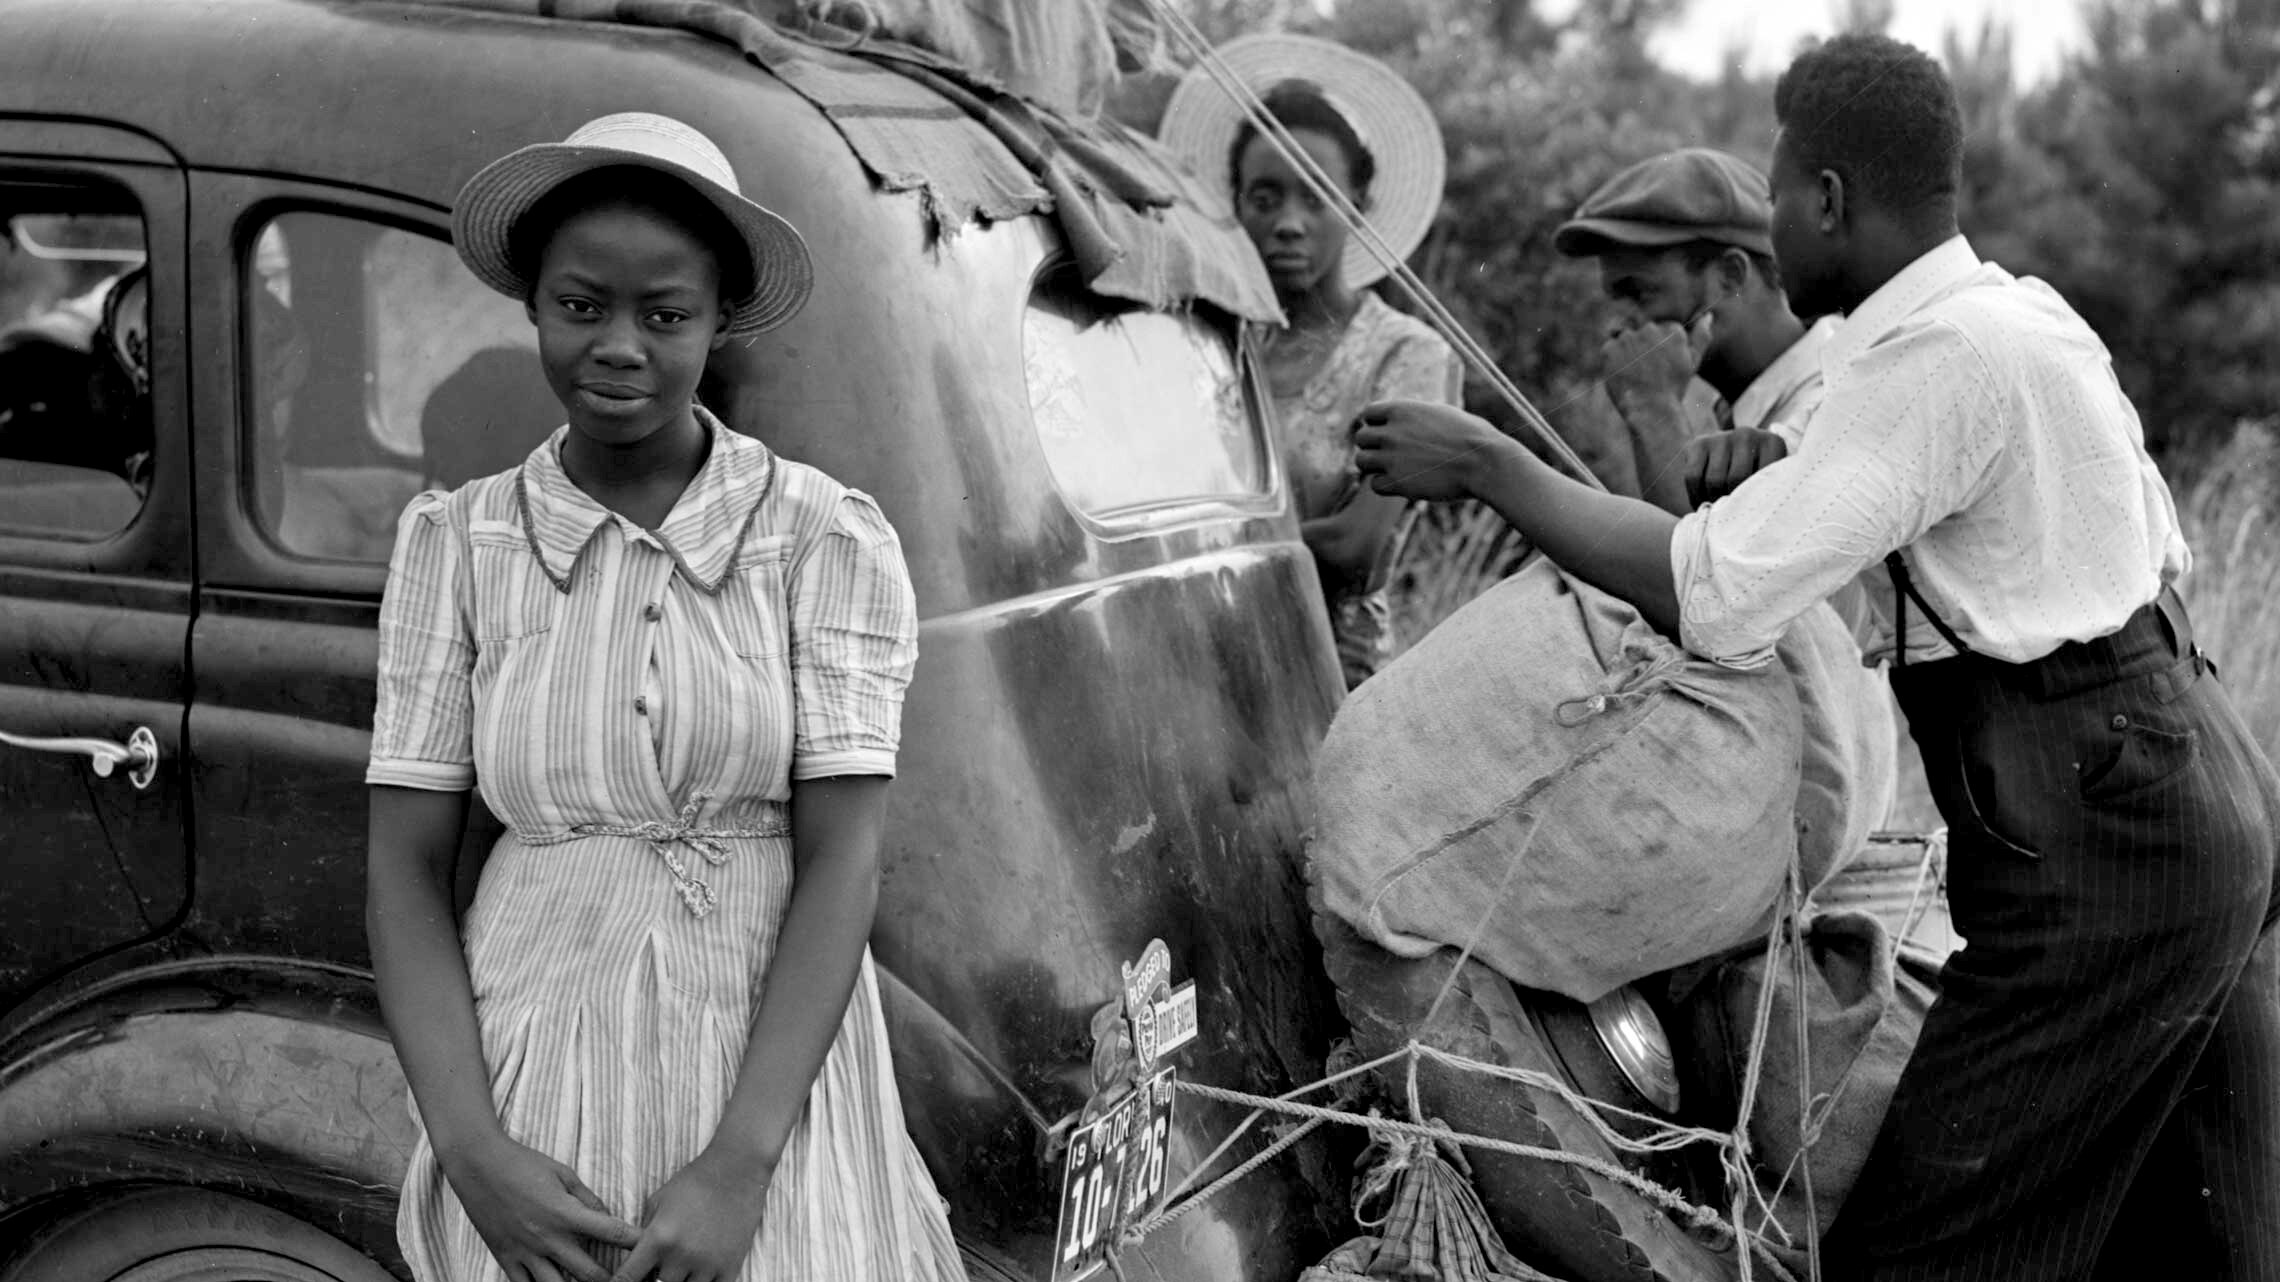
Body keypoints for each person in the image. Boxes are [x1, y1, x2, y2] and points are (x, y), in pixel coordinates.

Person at [1353, 34, 2280, 1280]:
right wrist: (1779, 479)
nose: (1774, 223)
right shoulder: (2017, 316)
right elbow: (2097, 552)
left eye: (1780, 191)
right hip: (2194, 772)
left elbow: (1714, 593)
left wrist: (1485, 466)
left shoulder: (1924, 364)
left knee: (1928, 1244)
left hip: (2098, 834)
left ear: (1828, 199)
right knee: (2199, 1233)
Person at [364, 113, 964, 1282]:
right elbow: (401, 867)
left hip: (767, 1076)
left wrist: (741, 1164)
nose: (620, 347)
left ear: (721, 321)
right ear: (532, 305)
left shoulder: (818, 535)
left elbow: (845, 856)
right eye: (581, 306)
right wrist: (474, 1152)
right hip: (530, 1067)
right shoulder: (459, 542)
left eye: (666, 315)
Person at [1159, 34, 1462, 687]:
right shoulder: (1216, 346)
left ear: (1357, 206)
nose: (1289, 223)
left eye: (1316, 195)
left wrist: (1179, 556)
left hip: (1333, 680)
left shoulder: (1407, 354)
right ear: (1236, 207)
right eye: (1265, 199)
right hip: (1201, 669)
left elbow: (1359, 548)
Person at [1552, 147, 1837, 516]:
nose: (1619, 325)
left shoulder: (1828, 405)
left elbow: (1697, 568)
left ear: (1731, 275)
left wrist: (1651, 405)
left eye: (1639, 292)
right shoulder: (1742, 410)